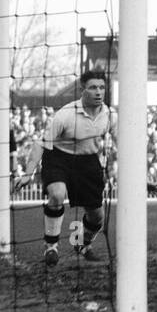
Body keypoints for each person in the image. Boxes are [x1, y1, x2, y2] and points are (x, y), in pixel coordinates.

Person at [29, 69, 114, 266]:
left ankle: (80, 244)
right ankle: (51, 248)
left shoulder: (109, 115)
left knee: (97, 217)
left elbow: (125, 144)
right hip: (59, 158)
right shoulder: (65, 115)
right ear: (82, 89)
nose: (98, 92)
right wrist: (27, 173)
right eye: (93, 87)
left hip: (88, 162)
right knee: (57, 195)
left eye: (102, 87)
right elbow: (41, 143)